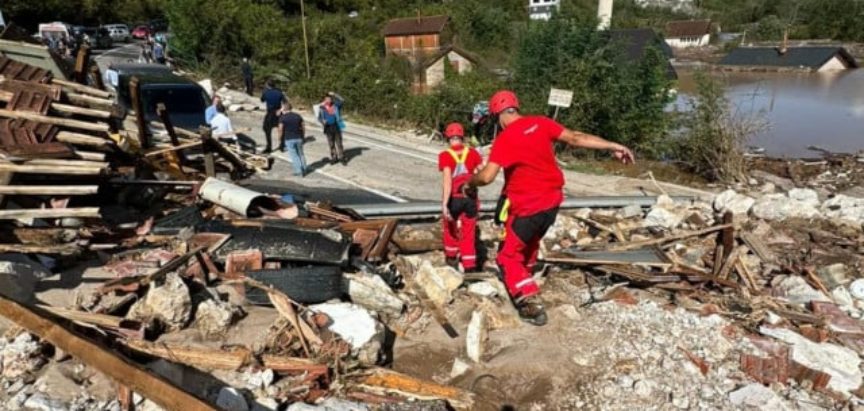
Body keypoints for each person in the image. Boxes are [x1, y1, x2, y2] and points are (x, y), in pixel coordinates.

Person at [464, 90, 635, 326]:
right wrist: (613, 145)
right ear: (515, 108)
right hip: (552, 201)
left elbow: (486, 177)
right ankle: (527, 273)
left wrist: (469, 183)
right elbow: (576, 137)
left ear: (497, 115)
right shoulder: (541, 123)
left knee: (506, 256)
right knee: (531, 240)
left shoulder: (506, 138)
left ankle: (528, 301)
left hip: (527, 205)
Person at [439, 122, 483, 272]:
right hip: (470, 199)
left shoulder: (445, 156)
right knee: (469, 232)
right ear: (462, 137)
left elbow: (447, 181)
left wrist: (445, 204)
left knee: (450, 228)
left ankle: (451, 257)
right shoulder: (473, 153)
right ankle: (469, 265)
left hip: (454, 198)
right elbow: (480, 173)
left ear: (448, 138)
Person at [278, 101, 307, 177]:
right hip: (299, 137)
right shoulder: (298, 116)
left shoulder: (283, 117)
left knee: (294, 155)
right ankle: (304, 168)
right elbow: (303, 126)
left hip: (289, 138)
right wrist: (303, 136)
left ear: (284, 108)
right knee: (301, 154)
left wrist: (280, 138)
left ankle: (299, 170)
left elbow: (280, 129)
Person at [317, 92, 345, 165]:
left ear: (332, 100)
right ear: (324, 100)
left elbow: (342, 100)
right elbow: (319, 118)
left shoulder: (336, 106)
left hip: (336, 126)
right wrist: (322, 121)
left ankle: (341, 157)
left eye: (329, 99)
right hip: (328, 127)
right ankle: (334, 157)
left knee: (339, 143)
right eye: (326, 99)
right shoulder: (322, 108)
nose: (328, 100)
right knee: (331, 144)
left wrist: (334, 94)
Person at [260, 80, 286, 153]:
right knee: (281, 129)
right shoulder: (280, 92)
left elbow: (262, 100)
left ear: (268, 85)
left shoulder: (266, 92)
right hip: (278, 112)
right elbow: (285, 102)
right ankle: (282, 146)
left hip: (270, 113)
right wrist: (281, 110)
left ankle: (269, 147)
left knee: (267, 129)